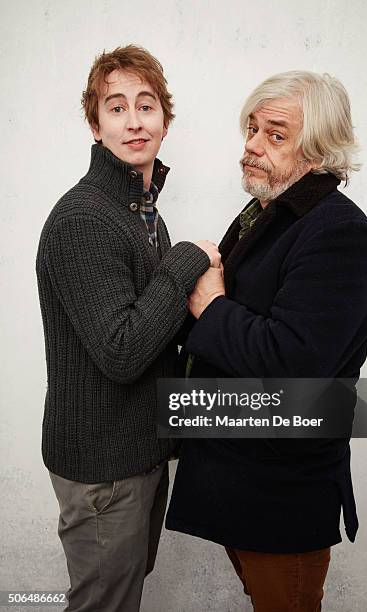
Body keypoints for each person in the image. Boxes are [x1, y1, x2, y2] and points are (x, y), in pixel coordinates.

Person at [166, 71, 367, 611]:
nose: (253, 146)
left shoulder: (337, 231)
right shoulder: (269, 212)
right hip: (244, 482)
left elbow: (295, 364)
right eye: (252, 129)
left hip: (282, 494)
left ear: (319, 151)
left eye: (275, 135)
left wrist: (211, 305)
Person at [36, 44, 220, 612]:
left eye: (146, 105)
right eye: (116, 108)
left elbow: (156, 325)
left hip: (133, 458)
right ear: (95, 125)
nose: (134, 120)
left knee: (120, 598)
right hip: (102, 471)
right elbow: (121, 350)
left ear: (165, 118)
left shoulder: (140, 210)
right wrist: (189, 260)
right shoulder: (84, 218)